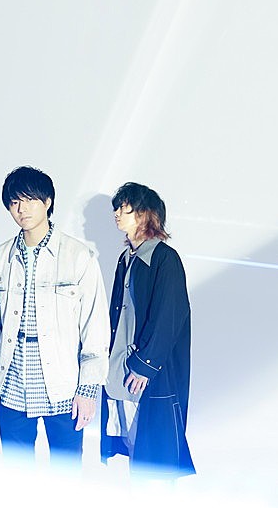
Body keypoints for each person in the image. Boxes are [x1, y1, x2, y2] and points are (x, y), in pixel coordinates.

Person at [0, 166, 109, 462]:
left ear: (47, 202)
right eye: (15, 202)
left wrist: (88, 389)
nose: (22, 209)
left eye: (30, 200)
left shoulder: (78, 256)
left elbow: (95, 326)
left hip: (63, 386)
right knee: (17, 473)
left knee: (65, 473)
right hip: (12, 384)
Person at [100, 182, 195, 478]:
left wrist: (145, 365)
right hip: (122, 369)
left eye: (124, 208)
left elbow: (169, 316)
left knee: (155, 453)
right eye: (117, 208)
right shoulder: (126, 258)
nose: (117, 214)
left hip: (147, 373)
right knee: (133, 445)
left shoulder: (164, 258)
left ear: (144, 214)